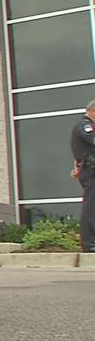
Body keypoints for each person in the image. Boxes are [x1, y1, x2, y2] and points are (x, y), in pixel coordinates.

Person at [70, 100, 95, 252]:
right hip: (90, 172)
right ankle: (89, 243)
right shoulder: (84, 126)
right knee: (90, 207)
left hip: (89, 171)